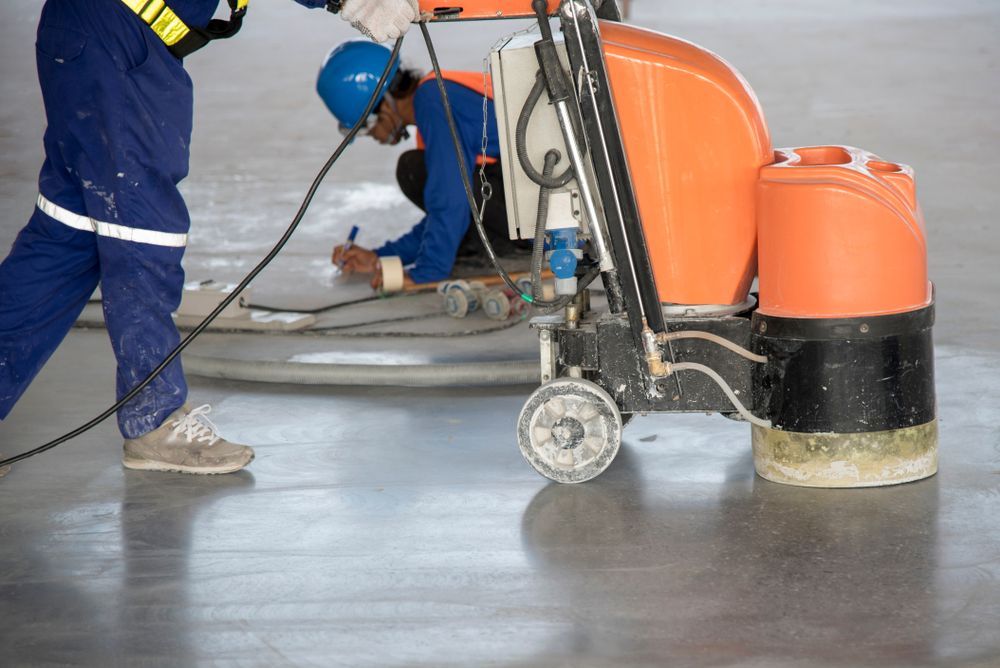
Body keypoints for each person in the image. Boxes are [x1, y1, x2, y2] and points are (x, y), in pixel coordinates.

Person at [0, 0, 420, 476]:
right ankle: (153, 420)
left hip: (82, 29)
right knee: (143, 232)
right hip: (120, 37)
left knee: (66, 235)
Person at [323, 42, 521, 291]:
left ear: (382, 104)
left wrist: (427, 273)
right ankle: (493, 246)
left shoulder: (432, 102)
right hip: (540, 201)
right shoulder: (437, 95)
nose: (373, 135)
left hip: (543, 217)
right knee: (423, 172)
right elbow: (448, 204)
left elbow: (451, 201)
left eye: (366, 127)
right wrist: (382, 257)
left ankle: (511, 248)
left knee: (413, 170)